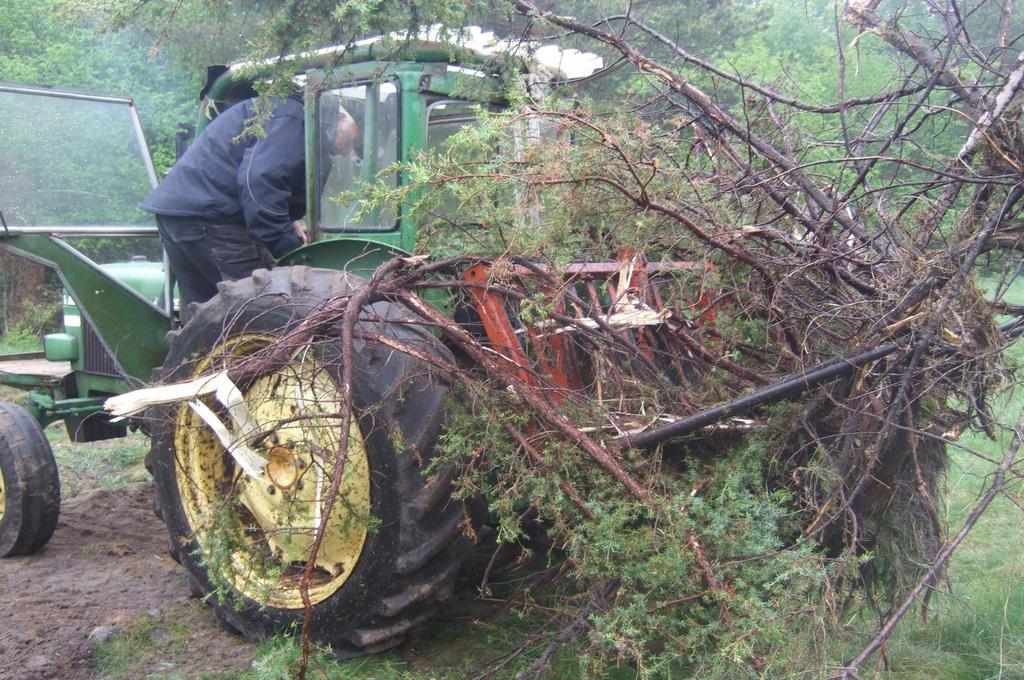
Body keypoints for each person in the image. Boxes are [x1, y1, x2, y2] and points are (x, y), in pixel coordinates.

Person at [141, 93, 360, 310]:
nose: (350, 152)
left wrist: (289, 219)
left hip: (180, 213)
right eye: (353, 141)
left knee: (205, 314)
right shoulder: (294, 118)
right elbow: (259, 184)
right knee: (271, 304)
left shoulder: (289, 114)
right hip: (210, 217)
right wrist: (292, 252)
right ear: (342, 115)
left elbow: (271, 179)